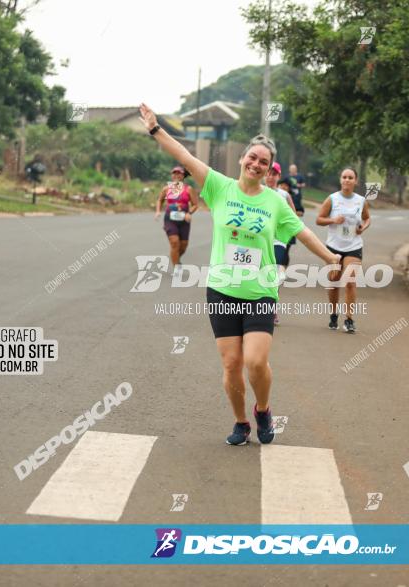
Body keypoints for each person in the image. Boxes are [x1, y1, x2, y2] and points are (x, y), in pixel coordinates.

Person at [139, 103, 341, 446]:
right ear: (242, 160)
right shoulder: (219, 187)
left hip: (260, 291)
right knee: (232, 365)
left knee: (255, 361)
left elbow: (302, 233)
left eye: (263, 161)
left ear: (268, 169)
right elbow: (186, 157)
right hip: (221, 290)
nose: (256, 164)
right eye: (252, 157)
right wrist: (156, 129)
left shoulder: (275, 203)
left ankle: (263, 409)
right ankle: (241, 422)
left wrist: (331, 259)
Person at [315, 167, 371, 334]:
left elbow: (367, 218)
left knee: (350, 281)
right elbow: (319, 219)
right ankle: (333, 314)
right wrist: (333, 219)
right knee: (333, 282)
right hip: (333, 247)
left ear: (356, 181)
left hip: (354, 246)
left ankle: (349, 319)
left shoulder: (361, 201)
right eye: (344, 177)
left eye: (350, 177)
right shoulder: (332, 199)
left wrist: (363, 227)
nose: (347, 180)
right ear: (340, 180)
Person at [266, 163, 296, 326]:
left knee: (275, 276)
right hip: (259, 241)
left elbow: (293, 217)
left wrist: (286, 233)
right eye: (268, 174)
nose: (270, 177)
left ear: (278, 176)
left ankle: (271, 309)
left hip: (278, 241)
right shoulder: (258, 191)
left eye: (274, 174)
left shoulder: (284, 195)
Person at [155, 165, 198, 272]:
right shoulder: (166, 189)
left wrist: (189, 213)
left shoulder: (189, 189)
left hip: (184, 219)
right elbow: (159, 200)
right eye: (174, 173)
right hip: (170, 219)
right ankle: (176, 267)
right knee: (175, 243)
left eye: (179, 173)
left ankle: (176, 258)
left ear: (183, 175)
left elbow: (195, 204)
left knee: (183, 245)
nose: (176, 175)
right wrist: (158, 211)